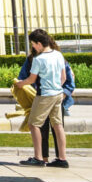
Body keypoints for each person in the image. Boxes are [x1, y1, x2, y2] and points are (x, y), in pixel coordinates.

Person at [22, 29, 70, 168]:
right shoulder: (58, 55)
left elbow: (31, 79)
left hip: (44, 95)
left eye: (33, 44)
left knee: (33, 124)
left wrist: (20, 84)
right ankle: (62, 158)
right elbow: (64, 77)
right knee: (58, 125)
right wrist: (56, 87)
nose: (33, 47)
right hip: (57, 94)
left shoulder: (39, 59)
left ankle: (38, 157)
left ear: (39, 43)